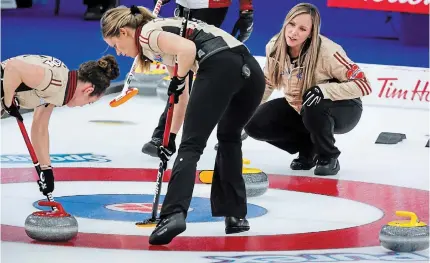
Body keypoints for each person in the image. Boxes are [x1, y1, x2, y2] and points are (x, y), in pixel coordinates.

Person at [100, 5, 265, 245]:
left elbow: (188, 51)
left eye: (115, 44)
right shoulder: (165, 38)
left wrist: (177, 80)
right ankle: (235, 214)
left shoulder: (148, 33)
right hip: (250, 72)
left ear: (125, 32)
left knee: (192, 147)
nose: (120, 52)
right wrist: (170, 138)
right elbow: (181, 96)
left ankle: (174, 214)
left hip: (220, 66)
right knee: (228, 137)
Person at [244, 3, 372, 176]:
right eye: (291, 24)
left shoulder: (328, 51)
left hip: (343, 108)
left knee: (313, 100)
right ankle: (308, 148)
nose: (293, 32)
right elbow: (268, 82)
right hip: (300, 107)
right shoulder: (274, 46)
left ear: (311, 33)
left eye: (302, 28)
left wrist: (324, 90)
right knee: (252, 124)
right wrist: (244, 114)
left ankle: (328, 156)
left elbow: (363, 84)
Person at [141, 0, 254, 157]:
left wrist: (246, 10)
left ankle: (232, 125)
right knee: (180, 64)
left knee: (196, 64)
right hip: (184, 4)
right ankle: (164, 134)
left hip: (210, 6)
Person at [1, 54, 120, 195]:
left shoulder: (61, 87)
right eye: (89, 102)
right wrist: (8, 103)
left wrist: (46, 170)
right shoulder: (54, 82)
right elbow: (13, 68)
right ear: (88, 90)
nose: (84, 106)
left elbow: (40, 128)